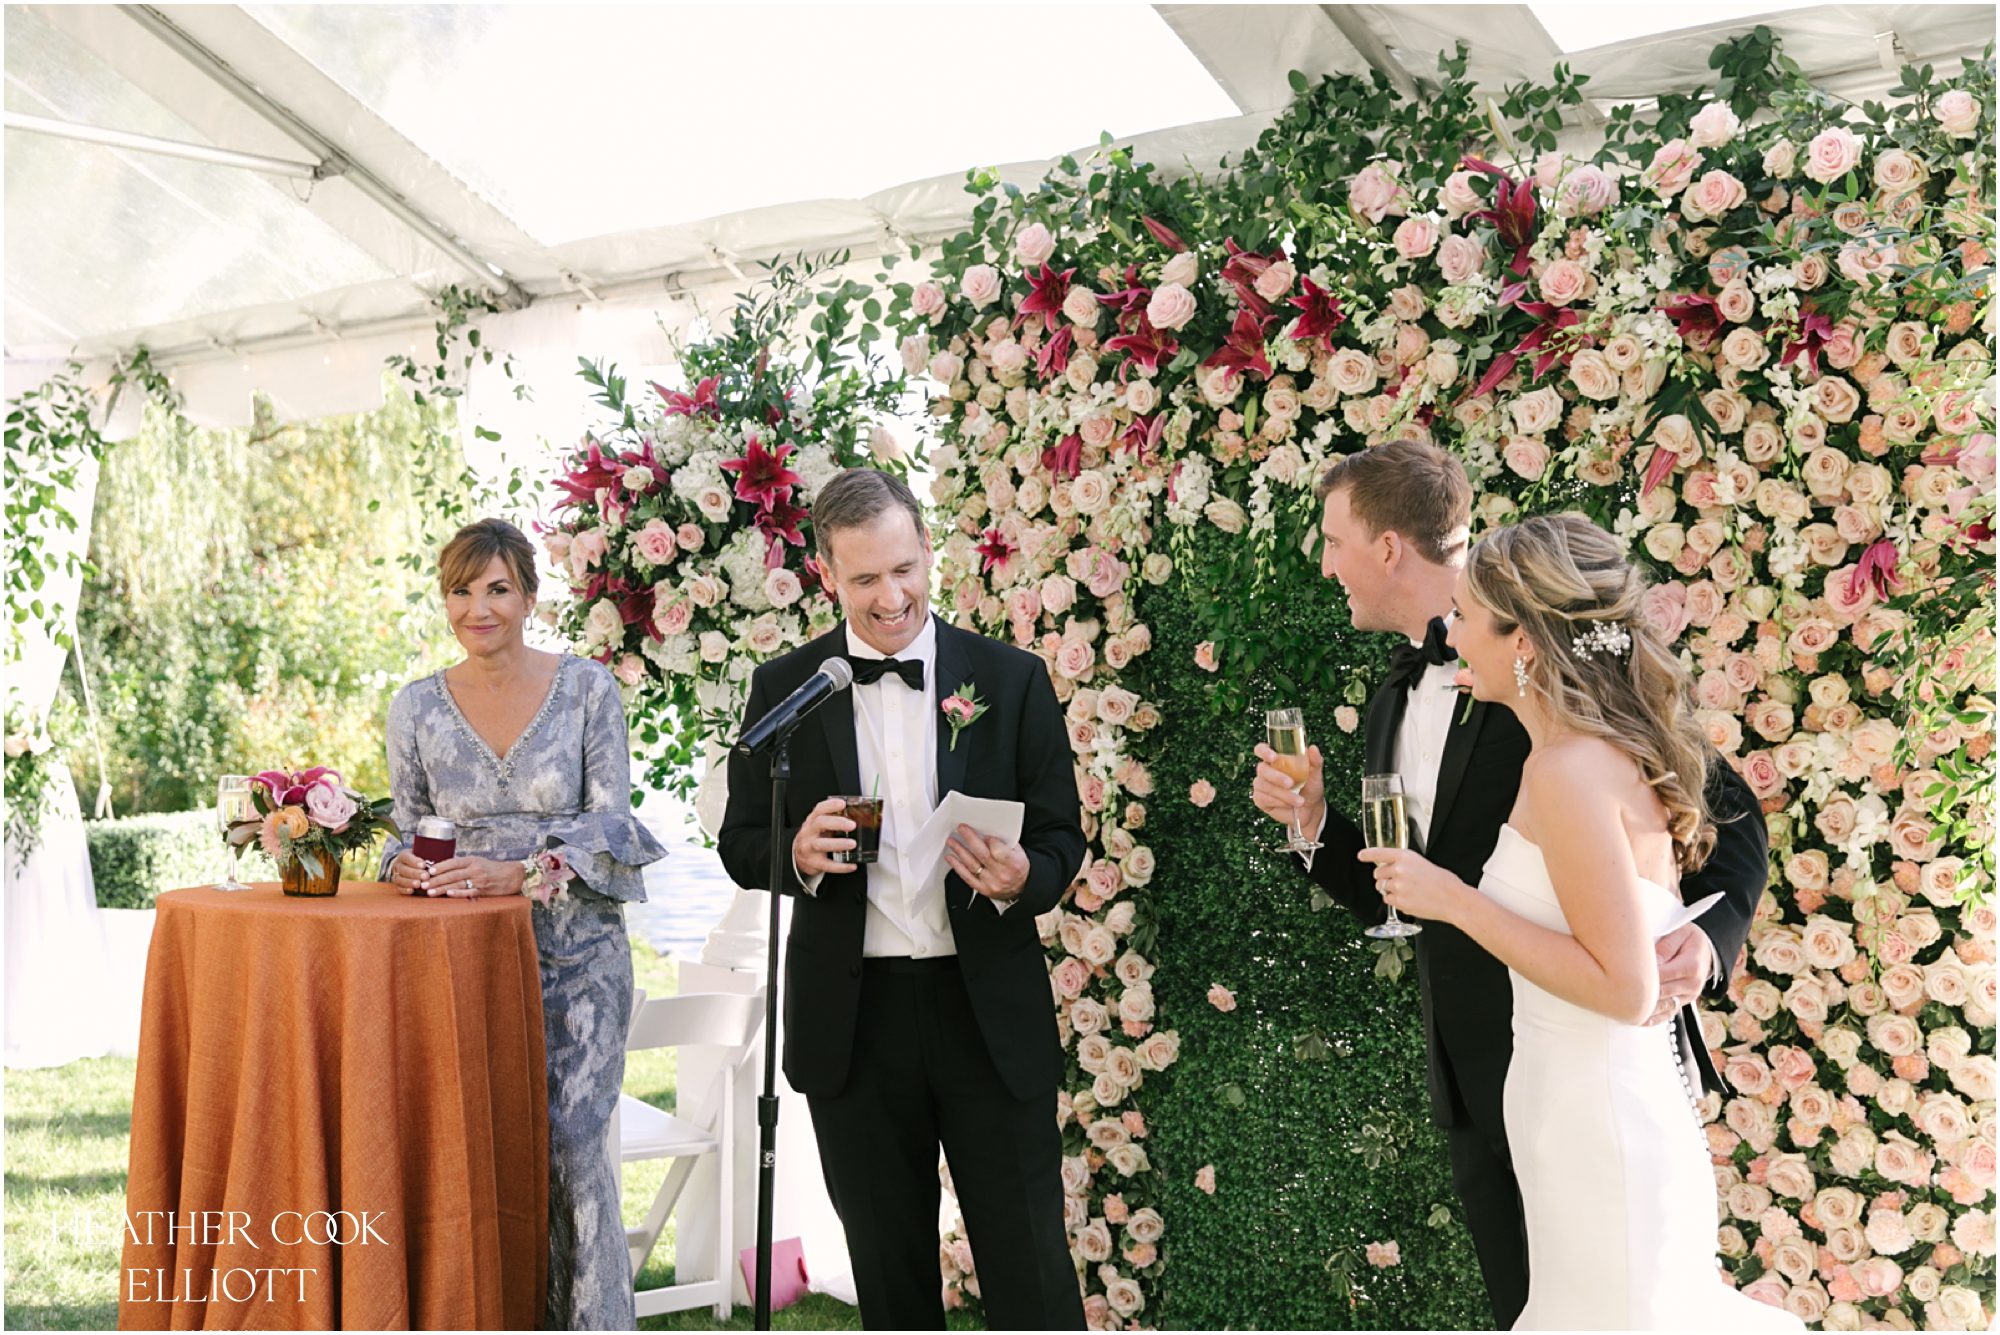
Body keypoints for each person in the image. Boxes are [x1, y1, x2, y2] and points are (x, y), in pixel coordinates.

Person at [1250, 441, 1765, 1327]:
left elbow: (1730, 815)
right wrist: (1313, 828)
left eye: (1333, 540)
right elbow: (1399, 889)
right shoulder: (1389, 702)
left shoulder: (1558, 696)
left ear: (1386, 548)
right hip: (1491, 1082)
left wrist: (1706, 947)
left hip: (1591, 1068)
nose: (1325, 563)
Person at [1358, 513, 1802, 1329]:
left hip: (1603, 1130)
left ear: (1521, 639)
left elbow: (1628, 988)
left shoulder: (1568, 769)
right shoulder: (1595, 751)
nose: (1450, 631)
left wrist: (1456, 900)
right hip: (1574, 1115)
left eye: (1464, 614)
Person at [719, 469, 1085, 1330]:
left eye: (905, 569)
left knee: (1031, 1267)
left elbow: (1063, 838)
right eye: (866, 579)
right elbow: (741, 840)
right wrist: (795, 853)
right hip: (856, 1022)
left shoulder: (1013, 676)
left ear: (928, 549)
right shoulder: (786, 688)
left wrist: (1023, 876)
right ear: (825, 577)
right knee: (891, 1281)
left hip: (984, 1008)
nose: (893, 597)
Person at [380, 517, 666, 1330]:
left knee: (574, 1151)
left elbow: (613, 827)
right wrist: (400, 863)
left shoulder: (587, 691)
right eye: (461, 590)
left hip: (578, 959)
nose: (480, 607)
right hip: (466, 963)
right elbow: (406, 828)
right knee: (483, 1155)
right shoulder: (415, 709)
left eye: (497, 588)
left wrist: (520, 872)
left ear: (530, 597)